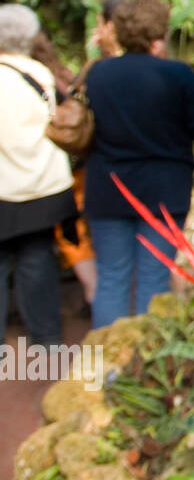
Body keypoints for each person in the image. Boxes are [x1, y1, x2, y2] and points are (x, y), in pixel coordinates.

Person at [84, 0, 194, 328]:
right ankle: (144, 369)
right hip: (164, 189)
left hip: (108, 188)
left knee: (112, 278)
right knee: (155, 279)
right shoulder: (179, 75)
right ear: (161, 30)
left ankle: (106, 366)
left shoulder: (98, 74)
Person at [0, 4, 78, 346]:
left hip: (4, 187)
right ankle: (47, 339)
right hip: (43, 185)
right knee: (37, 258)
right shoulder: (41, 74)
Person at [31, 30, 96, 317]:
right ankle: (93, 290)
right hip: (77, 165)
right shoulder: (62, 74)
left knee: (70, 235)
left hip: (56, 170)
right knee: (77, 230)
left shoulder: (38, 79)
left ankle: (93, 290)